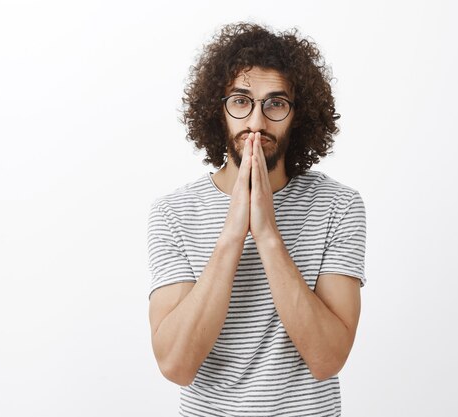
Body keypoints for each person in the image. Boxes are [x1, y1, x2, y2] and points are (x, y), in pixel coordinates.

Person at [147, 22, 367, 416]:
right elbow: (176, 365)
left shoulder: (340, 205)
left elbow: (327, 359)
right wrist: (233, 233)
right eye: (241, 101)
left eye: (275, 103)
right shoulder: (173, 213)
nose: (256, 123)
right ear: (219, 110)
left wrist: (267, 234)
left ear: (298, 116)